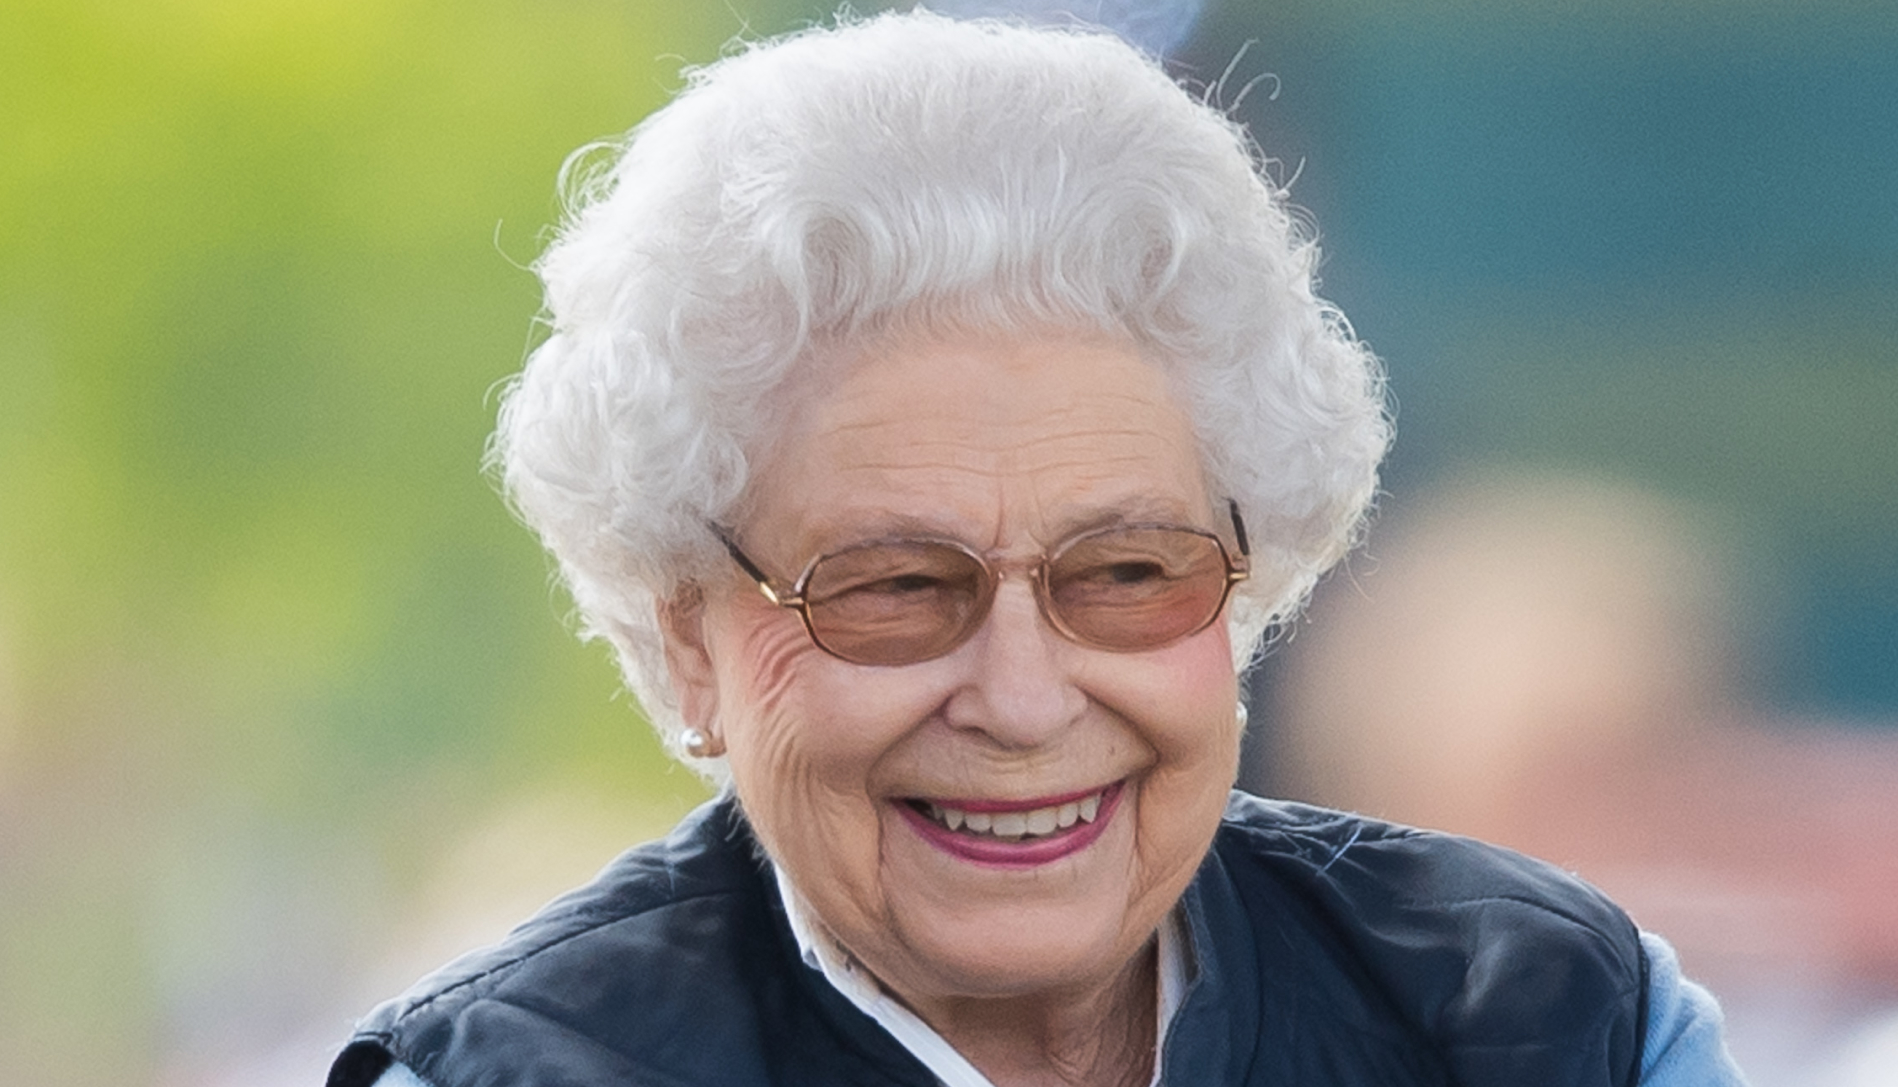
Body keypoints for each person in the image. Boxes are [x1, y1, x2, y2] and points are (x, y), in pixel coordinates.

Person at [326, 12, 1745, 1087]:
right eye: (894, 588)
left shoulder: (1553, 1018)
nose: (1020, 700)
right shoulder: (523, 1071)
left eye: (1125, 575)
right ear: (690, 636)